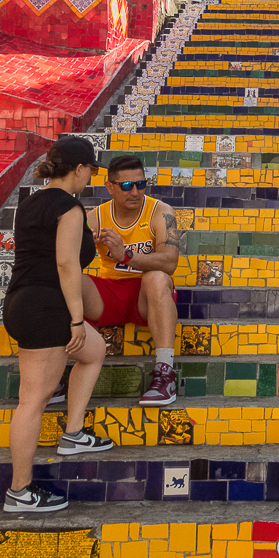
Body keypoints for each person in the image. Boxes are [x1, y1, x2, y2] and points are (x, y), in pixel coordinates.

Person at [2, 137, 113, 513]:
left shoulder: (30, 202)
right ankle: (20, 490)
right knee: (33, 401)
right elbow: (66, 265)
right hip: (46, 307)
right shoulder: (70, 207)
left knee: (95, 350)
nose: (90, 178)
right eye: (91, 171)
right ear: (79, 169)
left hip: (22, 301)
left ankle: (74, 433)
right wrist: (78, 319)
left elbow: (50, 255)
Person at [83, 154, 184, 406]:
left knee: (157, 278)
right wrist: (84, 245)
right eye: (127, 186)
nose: (135, 192)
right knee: (69, 281)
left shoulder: (161, 213)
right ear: (110, 187)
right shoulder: (94, 217)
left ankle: (164, 373)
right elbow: (65, 260)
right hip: (109, 296)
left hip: (146, 298)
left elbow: (170, 262)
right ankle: (56, 373)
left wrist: (126, 254)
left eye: (141, 184)